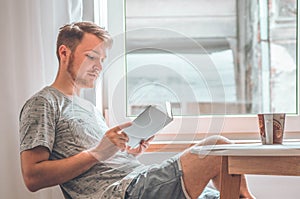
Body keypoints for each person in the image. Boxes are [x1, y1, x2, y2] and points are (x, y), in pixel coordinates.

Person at [19, 21, 255, 199]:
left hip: (138, 178)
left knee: (224, 192)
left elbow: (100, 162)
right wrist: (98, 152)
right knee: (216, 148)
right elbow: (32, 177)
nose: (99, 67)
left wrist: (127, 152)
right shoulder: (44, 103)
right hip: (121, 192)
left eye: (102, 59)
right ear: (64, 53)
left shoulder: (87, 107)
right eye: (91, 57)